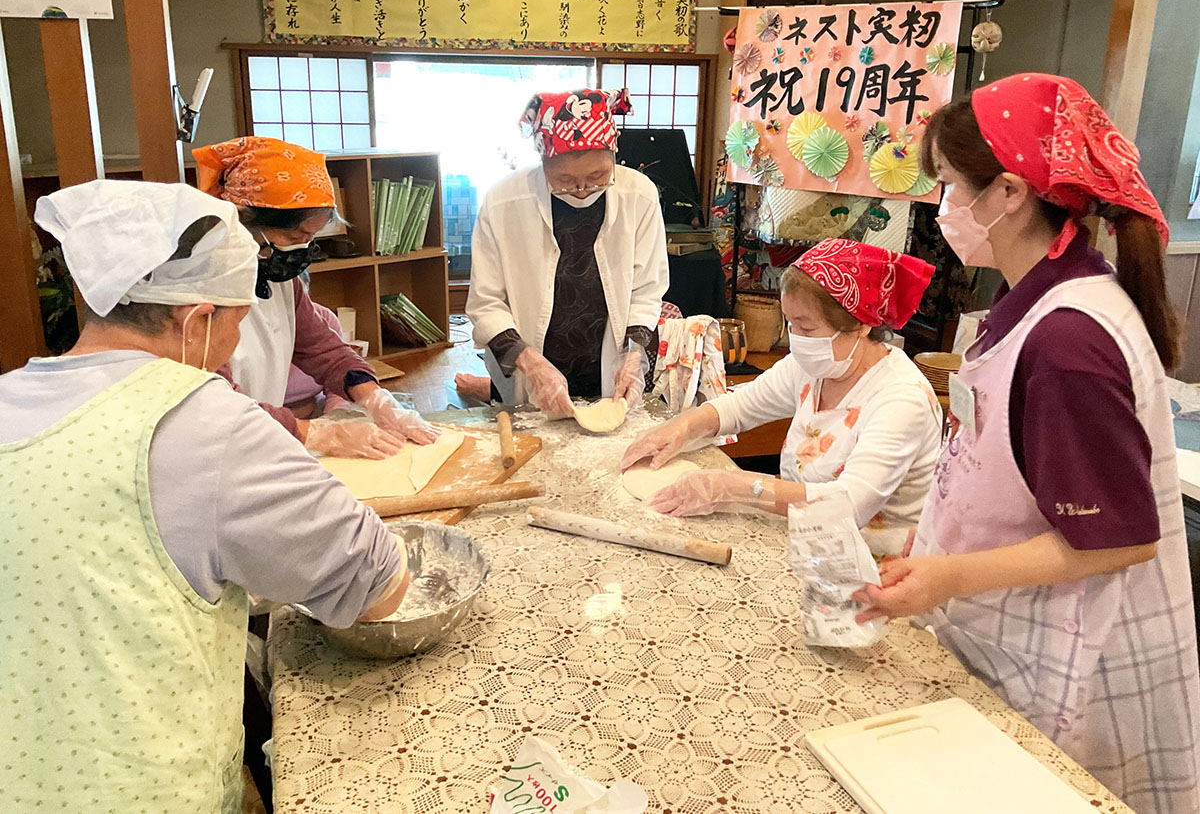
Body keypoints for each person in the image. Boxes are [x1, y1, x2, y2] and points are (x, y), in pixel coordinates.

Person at [0, 181, 411, 813]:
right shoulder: (208, 421)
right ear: (197, 322)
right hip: (143, 790)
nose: (234, 349)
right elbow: (377, 584)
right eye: (238, 324)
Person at [853, 73, 1200, 814]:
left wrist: (946, 578)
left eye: (947, 185)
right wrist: (928, 537)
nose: (942, 207)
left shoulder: (1069, 339)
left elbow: (1118, 538)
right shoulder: (1032, 297)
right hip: (1004, 622)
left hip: (1069, 649)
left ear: (1009, 193)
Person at [622, 239, 941, 557]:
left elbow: (847, 505)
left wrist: (731, 487)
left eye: (807, 327)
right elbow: (741, 405)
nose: (795, 340)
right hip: (805, 539)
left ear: (860, 325)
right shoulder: (817, 364)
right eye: (790, 324)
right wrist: (683, 427)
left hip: (876, 564)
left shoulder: (901, 401)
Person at [193, 136, 437, 458]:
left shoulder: (281, 280)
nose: (302, 250)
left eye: (310, 239)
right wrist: (320, 433)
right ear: (244, 220)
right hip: (219, 447)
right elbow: (217, 403)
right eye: (296, 237)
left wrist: (378, 400)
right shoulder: (197, 290)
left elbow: (325, 350)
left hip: (263, 440)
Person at [464, 88, 669, 417]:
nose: (582, 188)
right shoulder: (503, 202)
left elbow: (646, 291)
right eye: (564, 179)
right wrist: (530, 364)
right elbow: (486, 303)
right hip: (529, 364)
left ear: (613, 154)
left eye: (598, 175)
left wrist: (635, 358)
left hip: (607, 362)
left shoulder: (639, 195)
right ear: (543, 162)